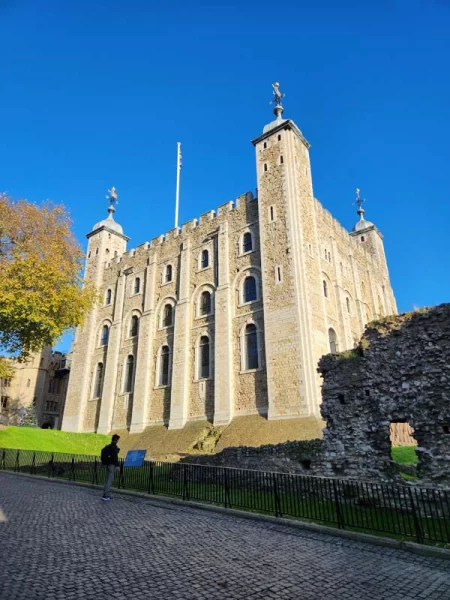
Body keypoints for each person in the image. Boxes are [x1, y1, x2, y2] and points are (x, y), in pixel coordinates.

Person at [101, 434, 120, 501]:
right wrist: (117, 465)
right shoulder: (114, 447)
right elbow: (115, 458)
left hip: (108, 464)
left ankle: (106, 494)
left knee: (107, 480)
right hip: (112, 465)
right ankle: (106, 495)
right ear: (116, 440)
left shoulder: (109, 446)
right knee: (109, 480)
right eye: (118, 440)